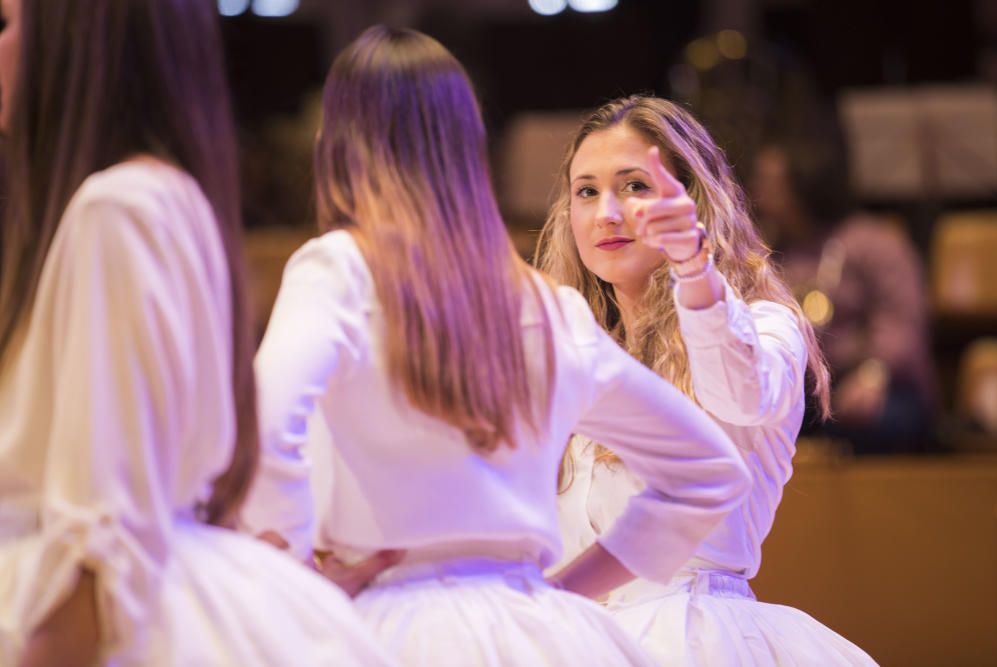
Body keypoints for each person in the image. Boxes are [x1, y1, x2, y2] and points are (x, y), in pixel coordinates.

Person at [241, 26, 752, 667]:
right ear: (468, 143)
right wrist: (554, 593)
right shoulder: (547, 303)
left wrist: (295, 574)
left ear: (337, 146)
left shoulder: (341, 268)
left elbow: (262, 428)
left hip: (386, 623)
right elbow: (710, 474)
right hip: (537, 632)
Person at [0, 2, 393, 665]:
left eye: (4, 25)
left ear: (73, 45)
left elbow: (104, 544)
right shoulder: (159, 198)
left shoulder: (118, 208)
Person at [536, 95, 876, 665]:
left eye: (635, 186)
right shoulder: (572, 350)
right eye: (587, 191)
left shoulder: (765, 326)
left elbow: (741, 394)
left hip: (695, 635)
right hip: (576, 640)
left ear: (692, 200)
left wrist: (695, 269)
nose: (607, 213)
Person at [750, 131, 935, 455]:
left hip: (878, 380)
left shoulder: (873, 242)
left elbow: (902, 321)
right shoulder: (769, 250)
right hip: (805, 388)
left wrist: (874, 374)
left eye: (771, 182)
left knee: (881, 420)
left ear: (805, 186)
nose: (758, 192)